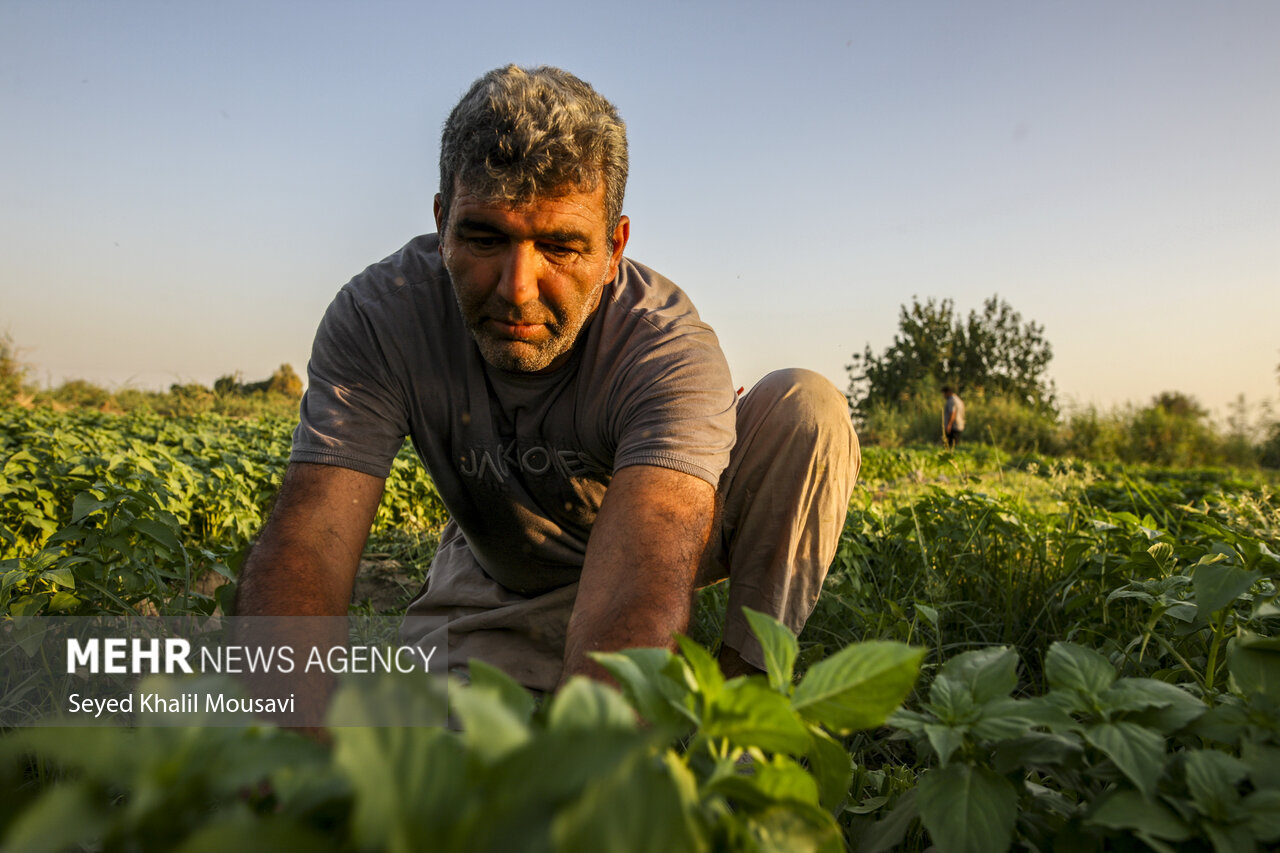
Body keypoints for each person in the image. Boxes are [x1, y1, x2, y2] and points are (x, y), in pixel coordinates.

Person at [235, 65, 860, 693]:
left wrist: (599, 764)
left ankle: (746, 698)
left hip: (668, 536)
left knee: (806, 408)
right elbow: (312, 537)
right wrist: (291, 746)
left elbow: (646, 565)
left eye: (560, 248)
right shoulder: (382, 317)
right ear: (440, 221)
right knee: (451, 755)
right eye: (484, 238)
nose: (517, 291)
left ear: (614, 248)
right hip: (511, 568)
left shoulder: (664, 348)